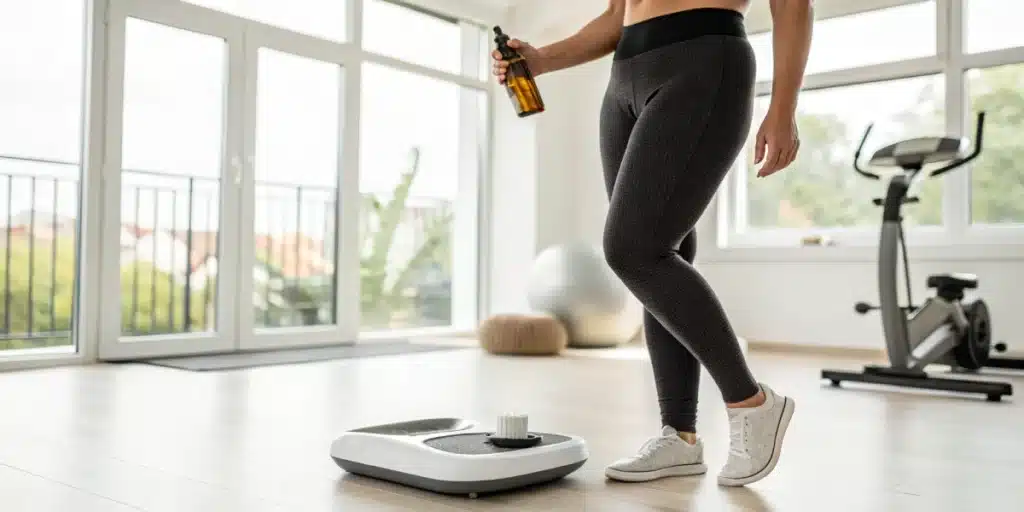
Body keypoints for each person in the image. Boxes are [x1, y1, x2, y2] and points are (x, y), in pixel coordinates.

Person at [492, 0, 813, 487]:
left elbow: (793, 5)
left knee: (634, 250)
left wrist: (784, 106)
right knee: (663, 253)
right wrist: (542, 60)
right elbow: (617, 15)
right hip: (626, 76)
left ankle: (752, 402)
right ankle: (679, 436)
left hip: (703, 59)